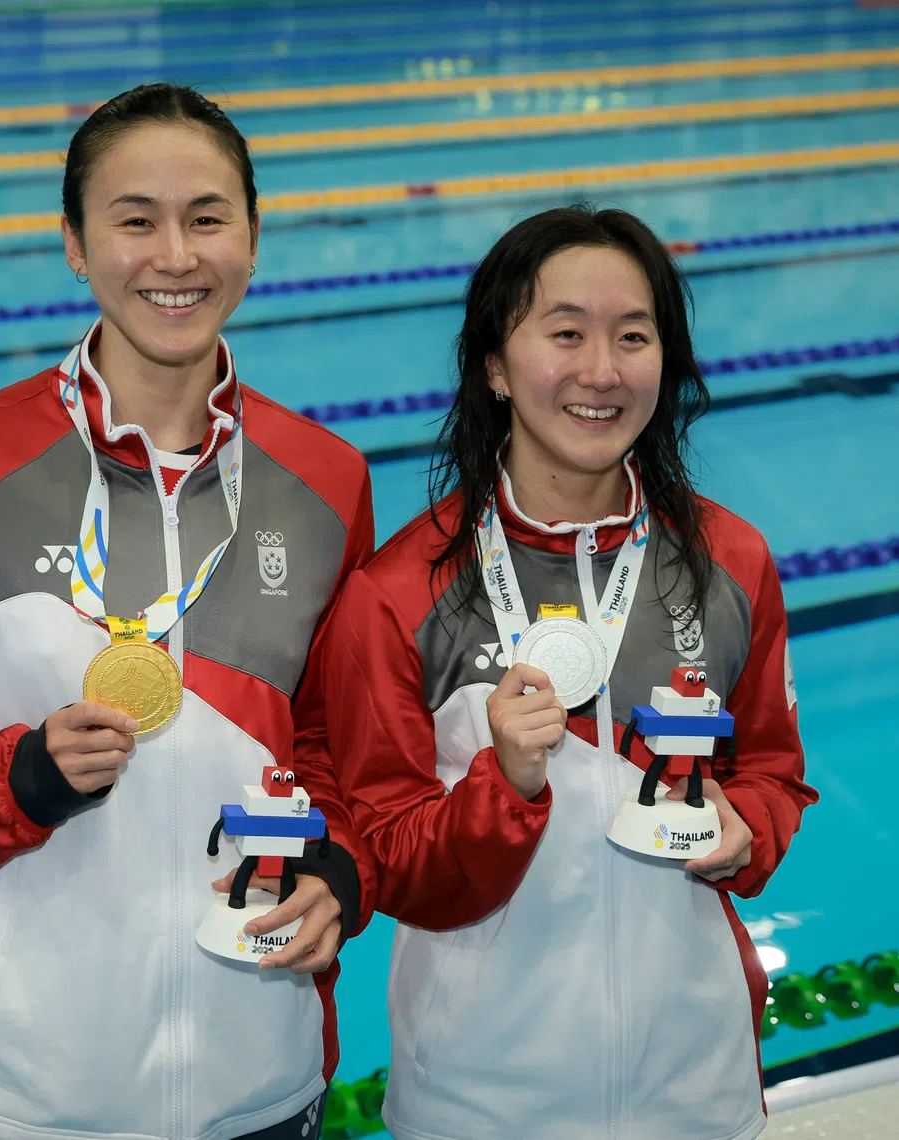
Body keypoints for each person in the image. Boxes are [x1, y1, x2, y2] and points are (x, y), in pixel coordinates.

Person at [0, 84, 375, 1140]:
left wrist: (340, 872)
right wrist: (12, 777)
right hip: (26, 1097)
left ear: (254, 234)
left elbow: (347, 745)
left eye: (207, 217)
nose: (175, 256)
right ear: (73, 242)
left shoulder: (326, 480)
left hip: (262, 1079)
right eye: (134, 219)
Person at [313, 206, 817, 1140]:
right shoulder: (398, 595)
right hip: (481, 1102)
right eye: (566, 333)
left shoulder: (729, 562)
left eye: (634, 336)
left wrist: (745, 830)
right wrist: (500, 786)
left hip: (696, 1092)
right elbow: (388, 860)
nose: (602, 370)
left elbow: (777, 775)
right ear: (497, 367)